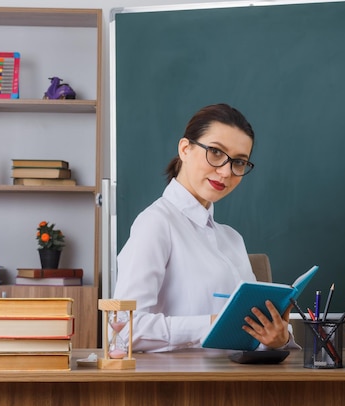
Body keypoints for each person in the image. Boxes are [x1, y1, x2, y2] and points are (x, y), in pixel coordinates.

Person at [112, 103, 297, 353]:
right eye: (216, 152)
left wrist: (279, 338)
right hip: (182, 387)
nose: (225, 172)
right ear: (185, 149)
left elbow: (256, 329)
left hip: (241, 383)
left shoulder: (232, 239)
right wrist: (212, 325)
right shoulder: (156, 223)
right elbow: (124, 328)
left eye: (239, 162)